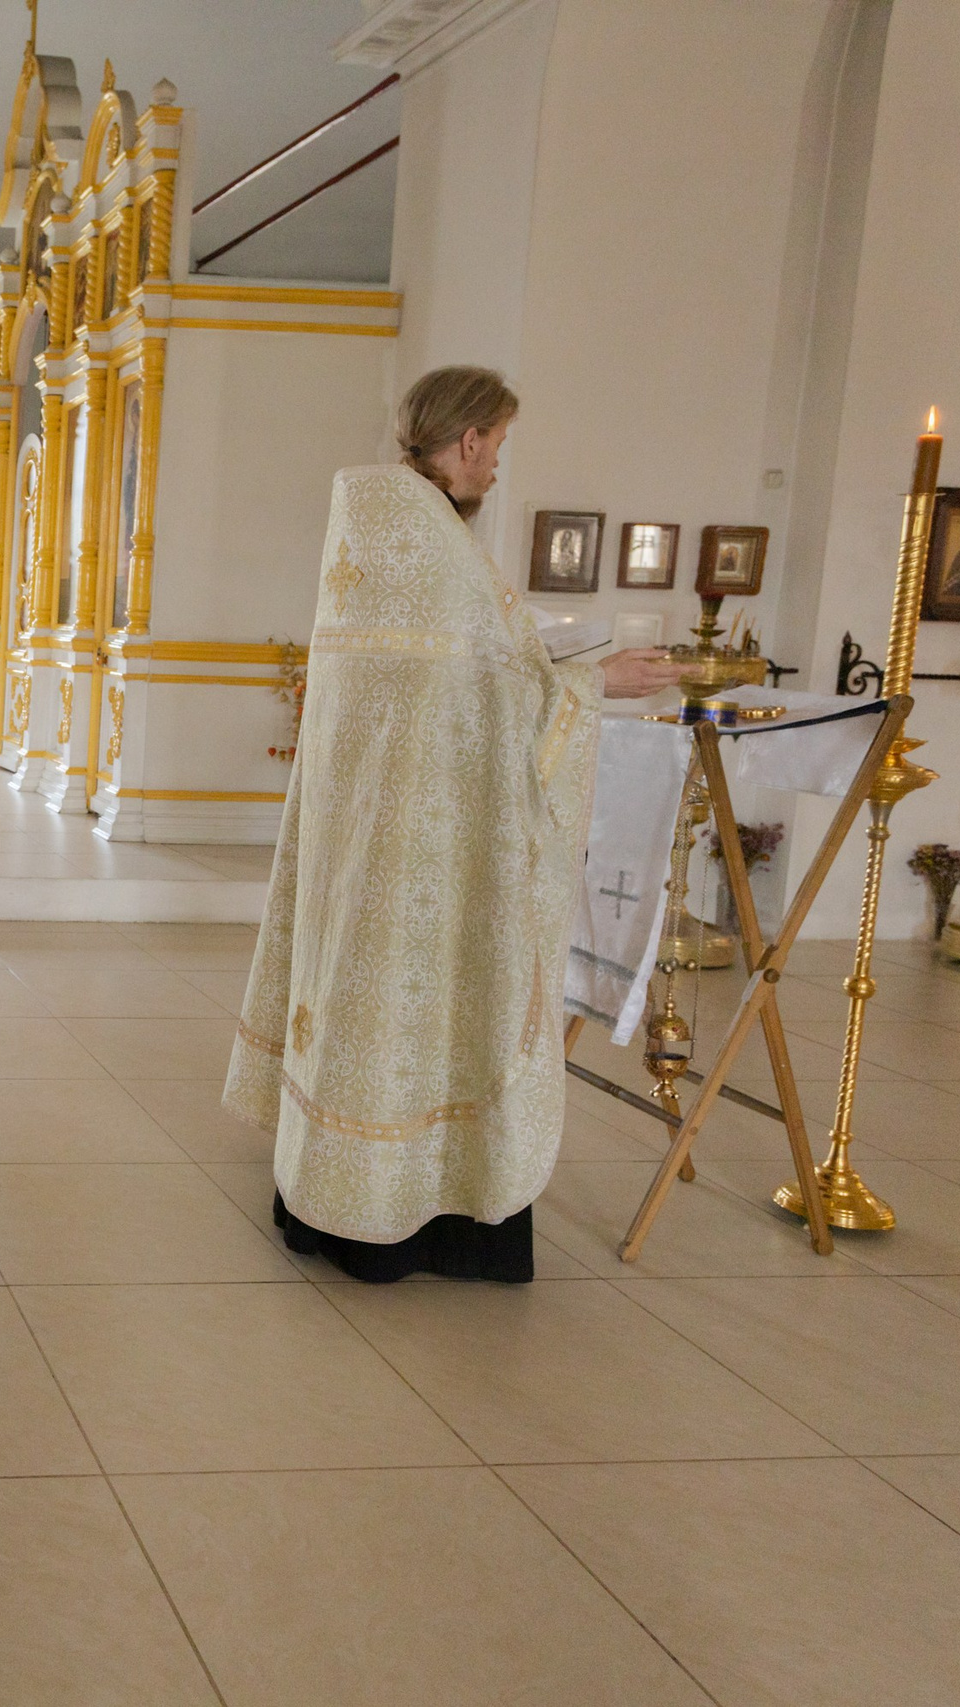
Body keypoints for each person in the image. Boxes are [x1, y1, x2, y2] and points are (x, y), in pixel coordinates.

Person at [221, 365, 684, 1284]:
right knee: (415, 1014)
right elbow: (499, 687)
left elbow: (467, 669)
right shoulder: (432, 540)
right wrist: (600, 682)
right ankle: (402, 1212)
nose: (499, 466)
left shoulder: (371, 521)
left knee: (354, 1000)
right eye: (498, 445)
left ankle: (327, 1189)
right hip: (423, 847)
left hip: (365, 827)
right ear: (467, 440)